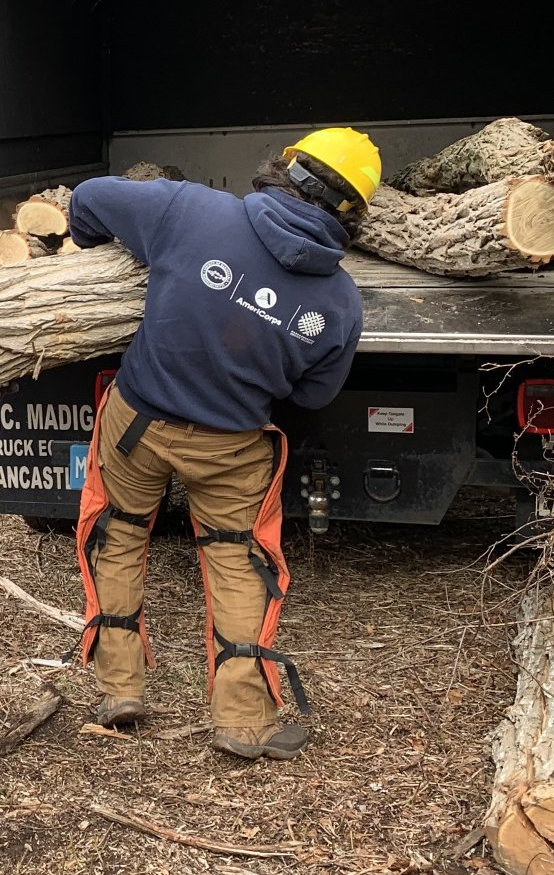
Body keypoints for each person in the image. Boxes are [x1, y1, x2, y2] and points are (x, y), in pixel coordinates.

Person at [63, 128, 378, 761]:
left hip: (138, 423)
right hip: (232, 443)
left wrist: (102, 245)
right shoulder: (340, 302)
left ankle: (119, 689)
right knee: (238, 562)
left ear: (283, 167)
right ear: (352, 215)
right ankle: (244, 722)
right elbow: (312, 397)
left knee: (119, 533)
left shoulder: (189, 208)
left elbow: (88, 202)